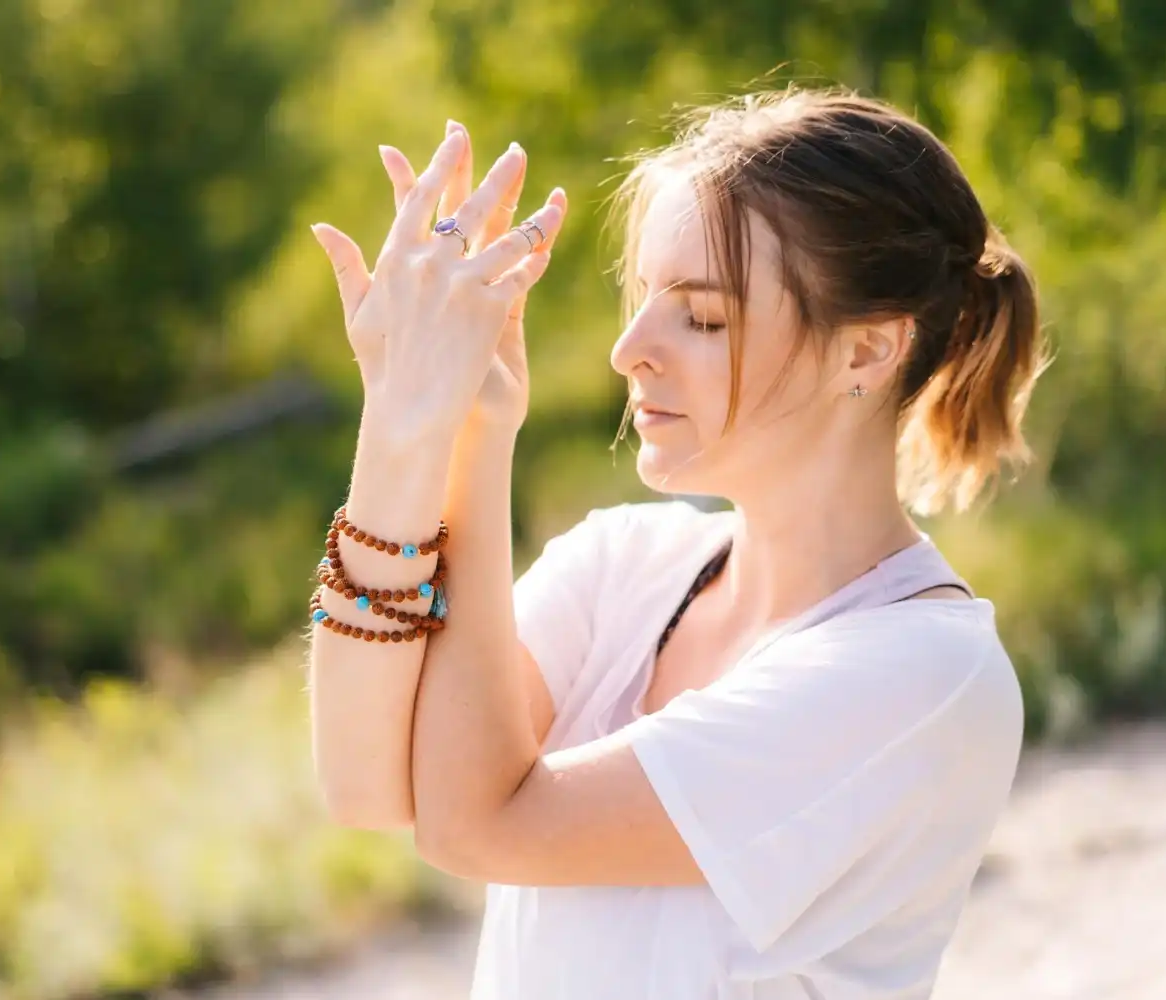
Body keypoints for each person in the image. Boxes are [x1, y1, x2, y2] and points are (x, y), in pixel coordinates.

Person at [305, 87, 1046, 1000]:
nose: (629, 350)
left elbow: (479, 825)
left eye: (702, 317)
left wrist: (459, 436)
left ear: (866, 353)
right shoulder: (624, 564)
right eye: (646, 298)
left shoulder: (924, 674)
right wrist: (407, 427)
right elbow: (368, 781)